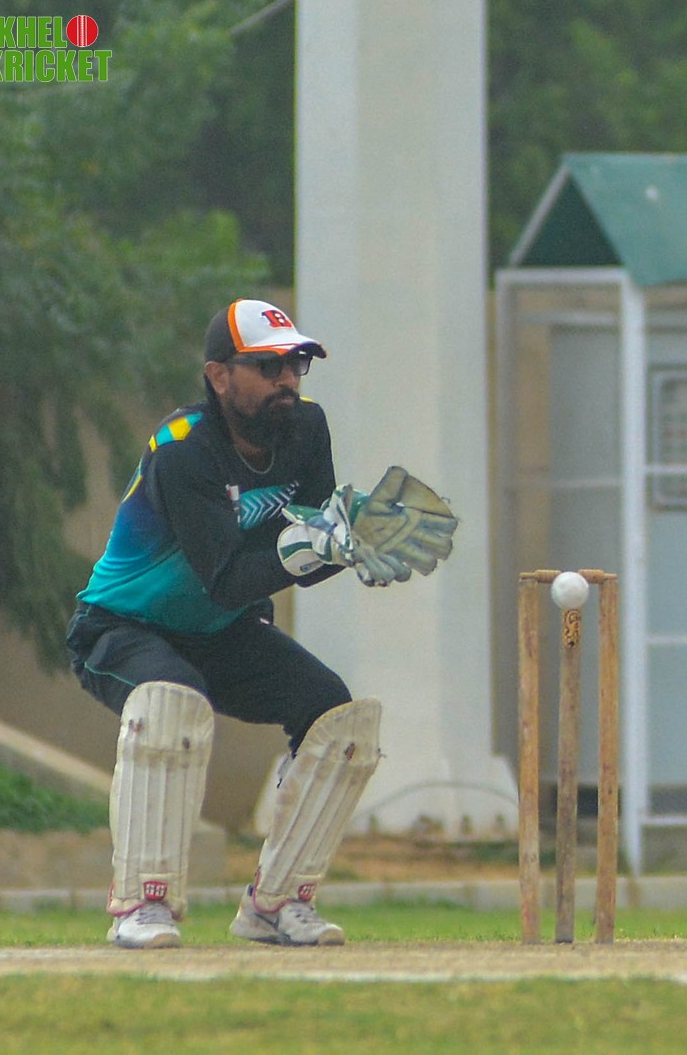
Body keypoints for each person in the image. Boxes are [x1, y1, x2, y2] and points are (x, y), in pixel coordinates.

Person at [66, 298, 456, 949]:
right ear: (219, 377)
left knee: (339, 720)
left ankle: (276, 904)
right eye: (269, 366)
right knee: (170, 704)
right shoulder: (182, 448)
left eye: (296, 364)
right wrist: (314, 543)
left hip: (224, 629)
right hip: (123, 626)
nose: (287, 380)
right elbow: (226, 575)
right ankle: (142, 903)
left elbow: (305, 555)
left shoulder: (306, 429)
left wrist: (349, 541)